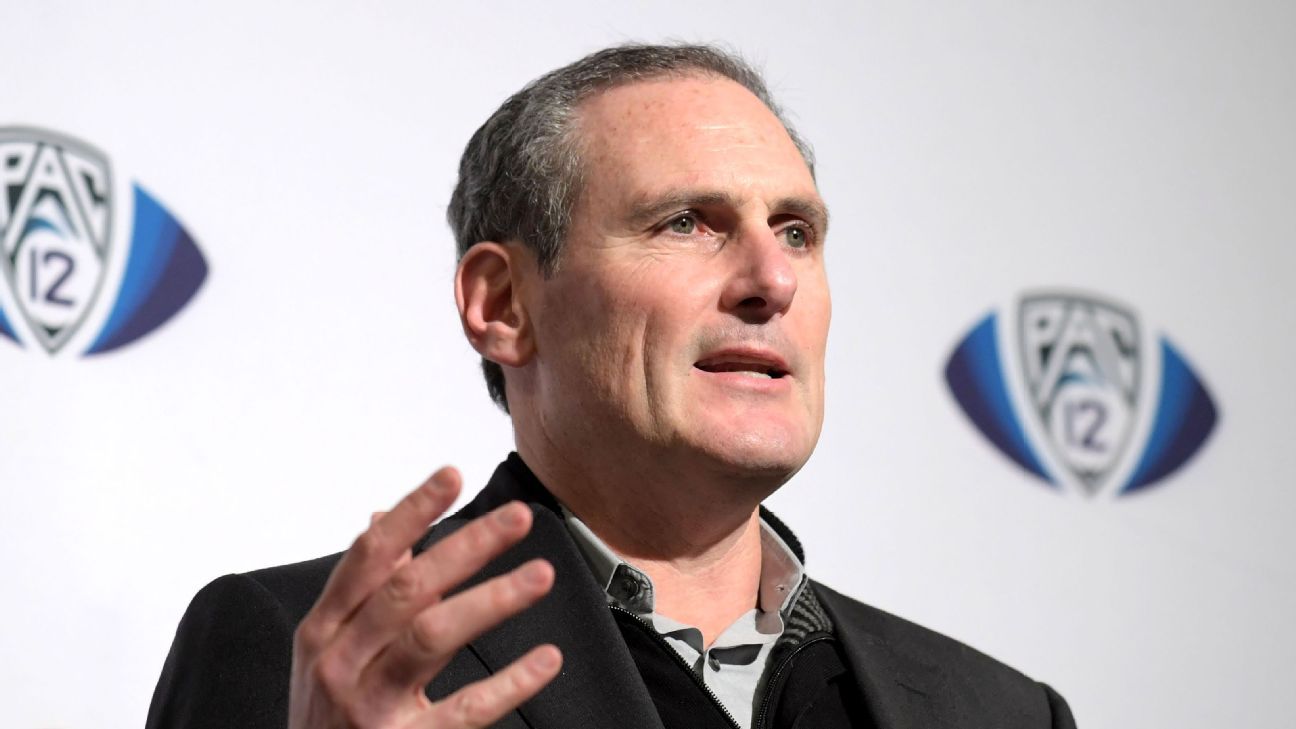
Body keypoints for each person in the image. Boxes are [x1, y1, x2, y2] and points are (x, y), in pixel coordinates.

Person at [147, 44, 1076, 729]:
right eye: (687, 223)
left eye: (796, 231)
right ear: (503, 303)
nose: (773, 279)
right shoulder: (316, 658)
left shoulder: (1000, 712)